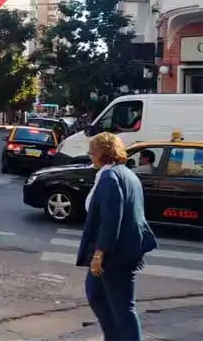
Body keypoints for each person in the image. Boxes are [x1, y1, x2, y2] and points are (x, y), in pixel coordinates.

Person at [76, 132, 157, 341]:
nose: (90, 156)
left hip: (116, 253)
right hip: (124, 248)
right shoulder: (125, 173)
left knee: (123, 307)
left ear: (101, 153)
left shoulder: (109, 178)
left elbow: (111, 218)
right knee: (95, 294)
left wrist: (99, 253)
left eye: (91, 152)